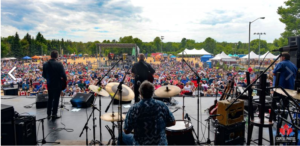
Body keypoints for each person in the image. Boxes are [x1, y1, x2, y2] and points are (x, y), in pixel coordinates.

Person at [42, 50, 67, 120]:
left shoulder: (45, 64)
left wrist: (49, 78)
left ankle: (48, 114)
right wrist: (64, 81)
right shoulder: (59, 64)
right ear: (57, 56)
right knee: (56, 99)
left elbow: (44, 75)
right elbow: (64, 75)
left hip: (49, 84)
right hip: (57, 84)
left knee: (50, 99)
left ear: (50, 56)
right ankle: (54, 114)